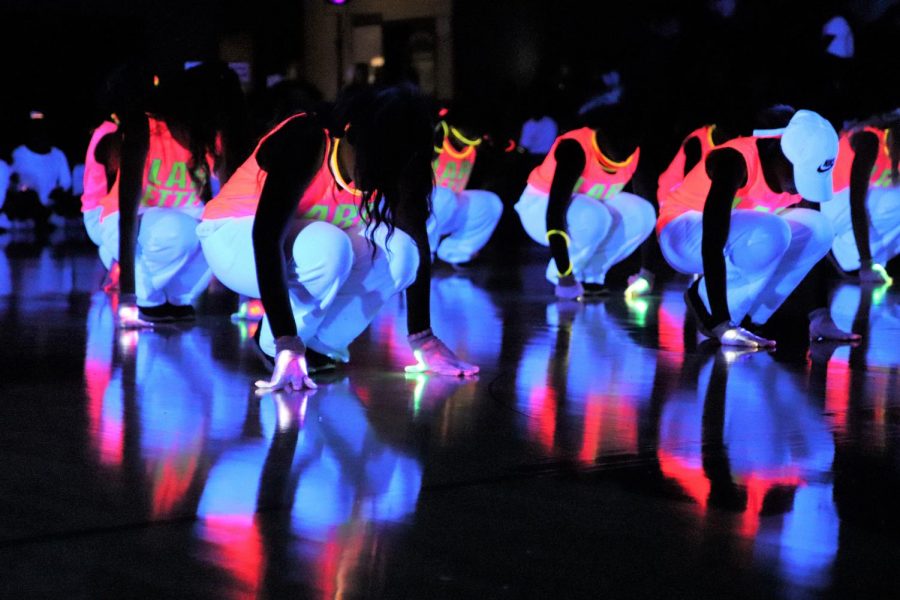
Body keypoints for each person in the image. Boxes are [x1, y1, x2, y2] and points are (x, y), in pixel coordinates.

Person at [197, 85, 478, 390]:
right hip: (233, 238)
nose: (382, 178)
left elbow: (416, 238)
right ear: (355, 137)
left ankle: (321, 346)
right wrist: (286, 341)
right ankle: (275, 345)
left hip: (309, 244)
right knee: (330, 246)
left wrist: (423, 337)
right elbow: (266, 237)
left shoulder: (400, 156)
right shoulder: (307, 139)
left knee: (401, 252)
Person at [657, 109, 848, 347]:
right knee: (775, 231)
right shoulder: (735, 160)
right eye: (800, 175)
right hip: (682, 234)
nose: (799, 188)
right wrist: (719, 321)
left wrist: (820, 316)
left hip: (732, 240)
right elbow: (713, 238)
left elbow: (812, 245)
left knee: (820, 229)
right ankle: (705, 302)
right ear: (783, 154)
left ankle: (751, 318)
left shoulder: (795, 177)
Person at [99, 62, 249, 327]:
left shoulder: (208, 138)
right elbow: (127, 213)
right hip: (129, 223)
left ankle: (179, 297)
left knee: (221, 229)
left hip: (176, 226)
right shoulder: (145, 127)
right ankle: (149, 298)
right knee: (179, 230)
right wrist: (130, 294)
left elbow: (231, 203)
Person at [514, 102, 657, 300]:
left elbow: (649, 206)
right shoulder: (575, 148)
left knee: (643, 213)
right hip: (540, 207)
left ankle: (592, 275)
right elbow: (554, 212)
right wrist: (564, 275)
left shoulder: (633, 152)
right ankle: (563, 273)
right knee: (596, 215)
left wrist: (647, 271)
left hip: (589, 210)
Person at [820, 111, 899, 285]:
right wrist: (866, 265)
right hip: (831, 206)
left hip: (855, 213)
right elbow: (856, 202)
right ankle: (852, 256)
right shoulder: (869, 140)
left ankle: (852, 257)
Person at [428, 107, 504, 267]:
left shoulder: (472, 150)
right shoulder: (436, 142)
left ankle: (457, 252)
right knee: (444, 197)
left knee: (490, 202)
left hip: (447, 208)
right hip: (419, 209)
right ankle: (423, 254)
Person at [8, 111, 71, 229]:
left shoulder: (58, 155)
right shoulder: (18, 153)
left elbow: (65, 184)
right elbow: (11, 184)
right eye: (34, 127)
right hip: (27, 214)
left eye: (41, 127)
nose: (38, 132)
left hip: (53, 212)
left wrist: (57, 194)